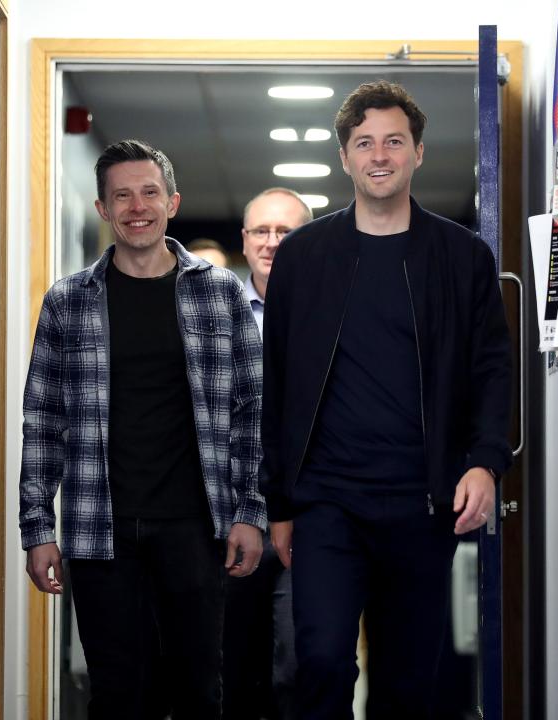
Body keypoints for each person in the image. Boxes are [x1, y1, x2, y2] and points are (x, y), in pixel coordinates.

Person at [260, 81, 512, 719]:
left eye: (394, 142)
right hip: (328, 503)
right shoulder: (302, 258)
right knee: (320, 661)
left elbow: (491, 369)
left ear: (418, 153)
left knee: (406, 684)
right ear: (344, 156)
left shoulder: (463, 258)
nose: (379, 155)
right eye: (364, 142)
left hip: (422, 504)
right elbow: (279, 384)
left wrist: (485, 462)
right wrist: (279, 504)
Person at [20, 138, 266, 720]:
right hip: (100, 529)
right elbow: (43, 417)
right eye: (122, 196)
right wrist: (37, 527)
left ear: (172, 203)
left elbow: (252, 412)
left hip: (195, 526)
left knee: (199, 694)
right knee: (117, 697)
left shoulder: (221, 293)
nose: (137, 207)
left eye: (149, 193)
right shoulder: (67, 302)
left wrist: (250, 512)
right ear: (103, 208)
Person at [223, 187, 312, 720]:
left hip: (309, 517)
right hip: (231, 518)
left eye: (286, 231)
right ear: (244, 240)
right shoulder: (217, 312)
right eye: (261, 230)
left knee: (299, 667)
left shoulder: (331, 309)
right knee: (234, 670)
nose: (272, 242)